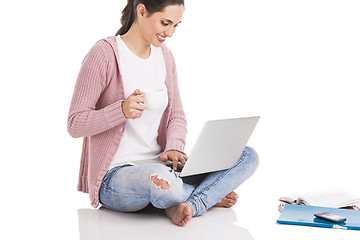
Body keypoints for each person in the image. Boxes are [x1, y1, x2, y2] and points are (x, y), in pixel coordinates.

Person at [67, 0, 259, 227]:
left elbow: (177, 114)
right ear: (141, 11)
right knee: (165, 182)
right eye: (165, 23)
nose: (170, 33)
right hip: (116, 175)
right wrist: (121, 110)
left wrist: (174, 148)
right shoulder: (105, 53)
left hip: (163, 166)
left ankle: (189, 203)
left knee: (247, 155)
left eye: (176, 25)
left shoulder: (165, 56)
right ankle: (207, 195)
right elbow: (75, 123)